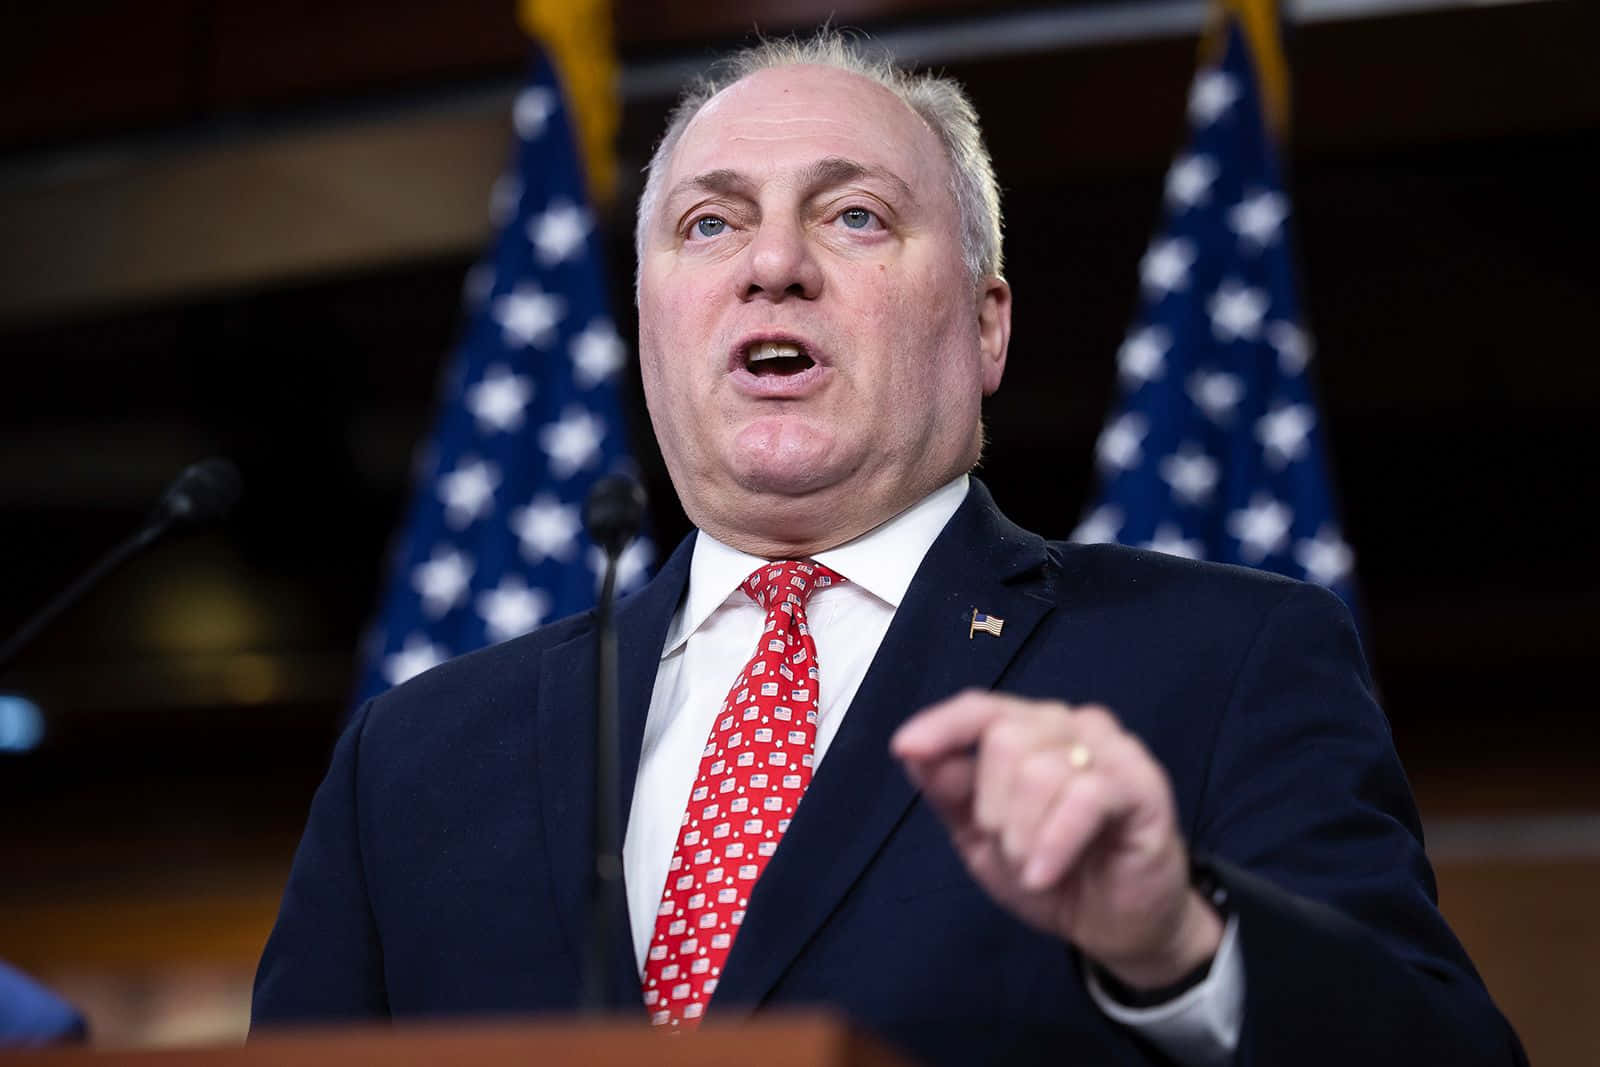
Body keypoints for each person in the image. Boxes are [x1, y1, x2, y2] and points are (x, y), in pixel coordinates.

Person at [254, 31, 1524, 1066]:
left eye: (854, 216)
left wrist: (1183, 948)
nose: (771, 264)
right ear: (645, 322)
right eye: (708, 224)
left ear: (984, 326)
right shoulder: (410, 757)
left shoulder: (1219, 657)